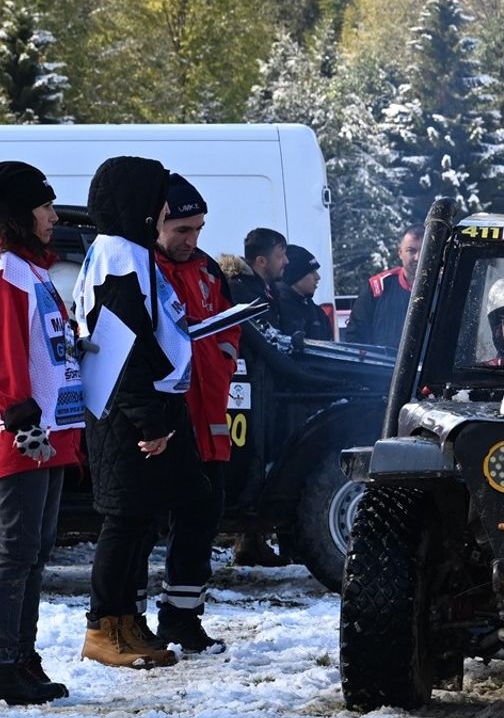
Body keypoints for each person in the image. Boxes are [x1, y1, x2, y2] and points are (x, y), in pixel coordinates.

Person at [73, 156, 207, 668]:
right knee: (123, 523)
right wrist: (150, 421)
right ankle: (103, 628)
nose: (160, 210)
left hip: (138, 406)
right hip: (125, 412)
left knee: (141, 521)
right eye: (155, 199)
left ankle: (126, 622)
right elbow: (121, 347)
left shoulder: (128, 252)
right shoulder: (119, 259)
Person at [0, 161, 81, 705]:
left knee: (35, 548)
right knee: (16, 549)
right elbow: (4, 351)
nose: (54, 216)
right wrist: (23, 416)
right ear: (17, 213)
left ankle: (23, 656)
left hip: (48, 426)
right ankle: (2, 665)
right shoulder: (3, 269)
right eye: (45, 207)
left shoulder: (29, 267)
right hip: (24, 429)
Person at [144, 174, 238, 653]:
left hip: (208, 421)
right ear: (157, 222)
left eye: (198, 229)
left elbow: (229, 324)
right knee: (138, 527)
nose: (192, 240)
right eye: (182, 230)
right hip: (160, 422)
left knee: (201, 521)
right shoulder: (141, 266)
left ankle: (182, 619)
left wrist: (222, 350)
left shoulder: (205, 270)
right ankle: (124, 624)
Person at [223, 228, 293, 568]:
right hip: (245, 387)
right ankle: (246, 533)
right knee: (249, 454)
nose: (287, 262)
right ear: (262, 260)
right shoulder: (243, 290)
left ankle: (251, 540)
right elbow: (264, 341)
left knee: (257, 456)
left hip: (257, 386)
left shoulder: (261, 288)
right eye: (281, 255)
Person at [342, 224, 422, 347]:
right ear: (400, 253)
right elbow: (355, 336)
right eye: (411, 251)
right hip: (383, 365)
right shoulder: (377, 287)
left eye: (425, 251)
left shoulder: (445, 288)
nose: (418, 258)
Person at [277, 244, 333, 340]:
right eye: (311, 272)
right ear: (294, 276)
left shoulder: (318, 313)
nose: (318, 277)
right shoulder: (276, 311)